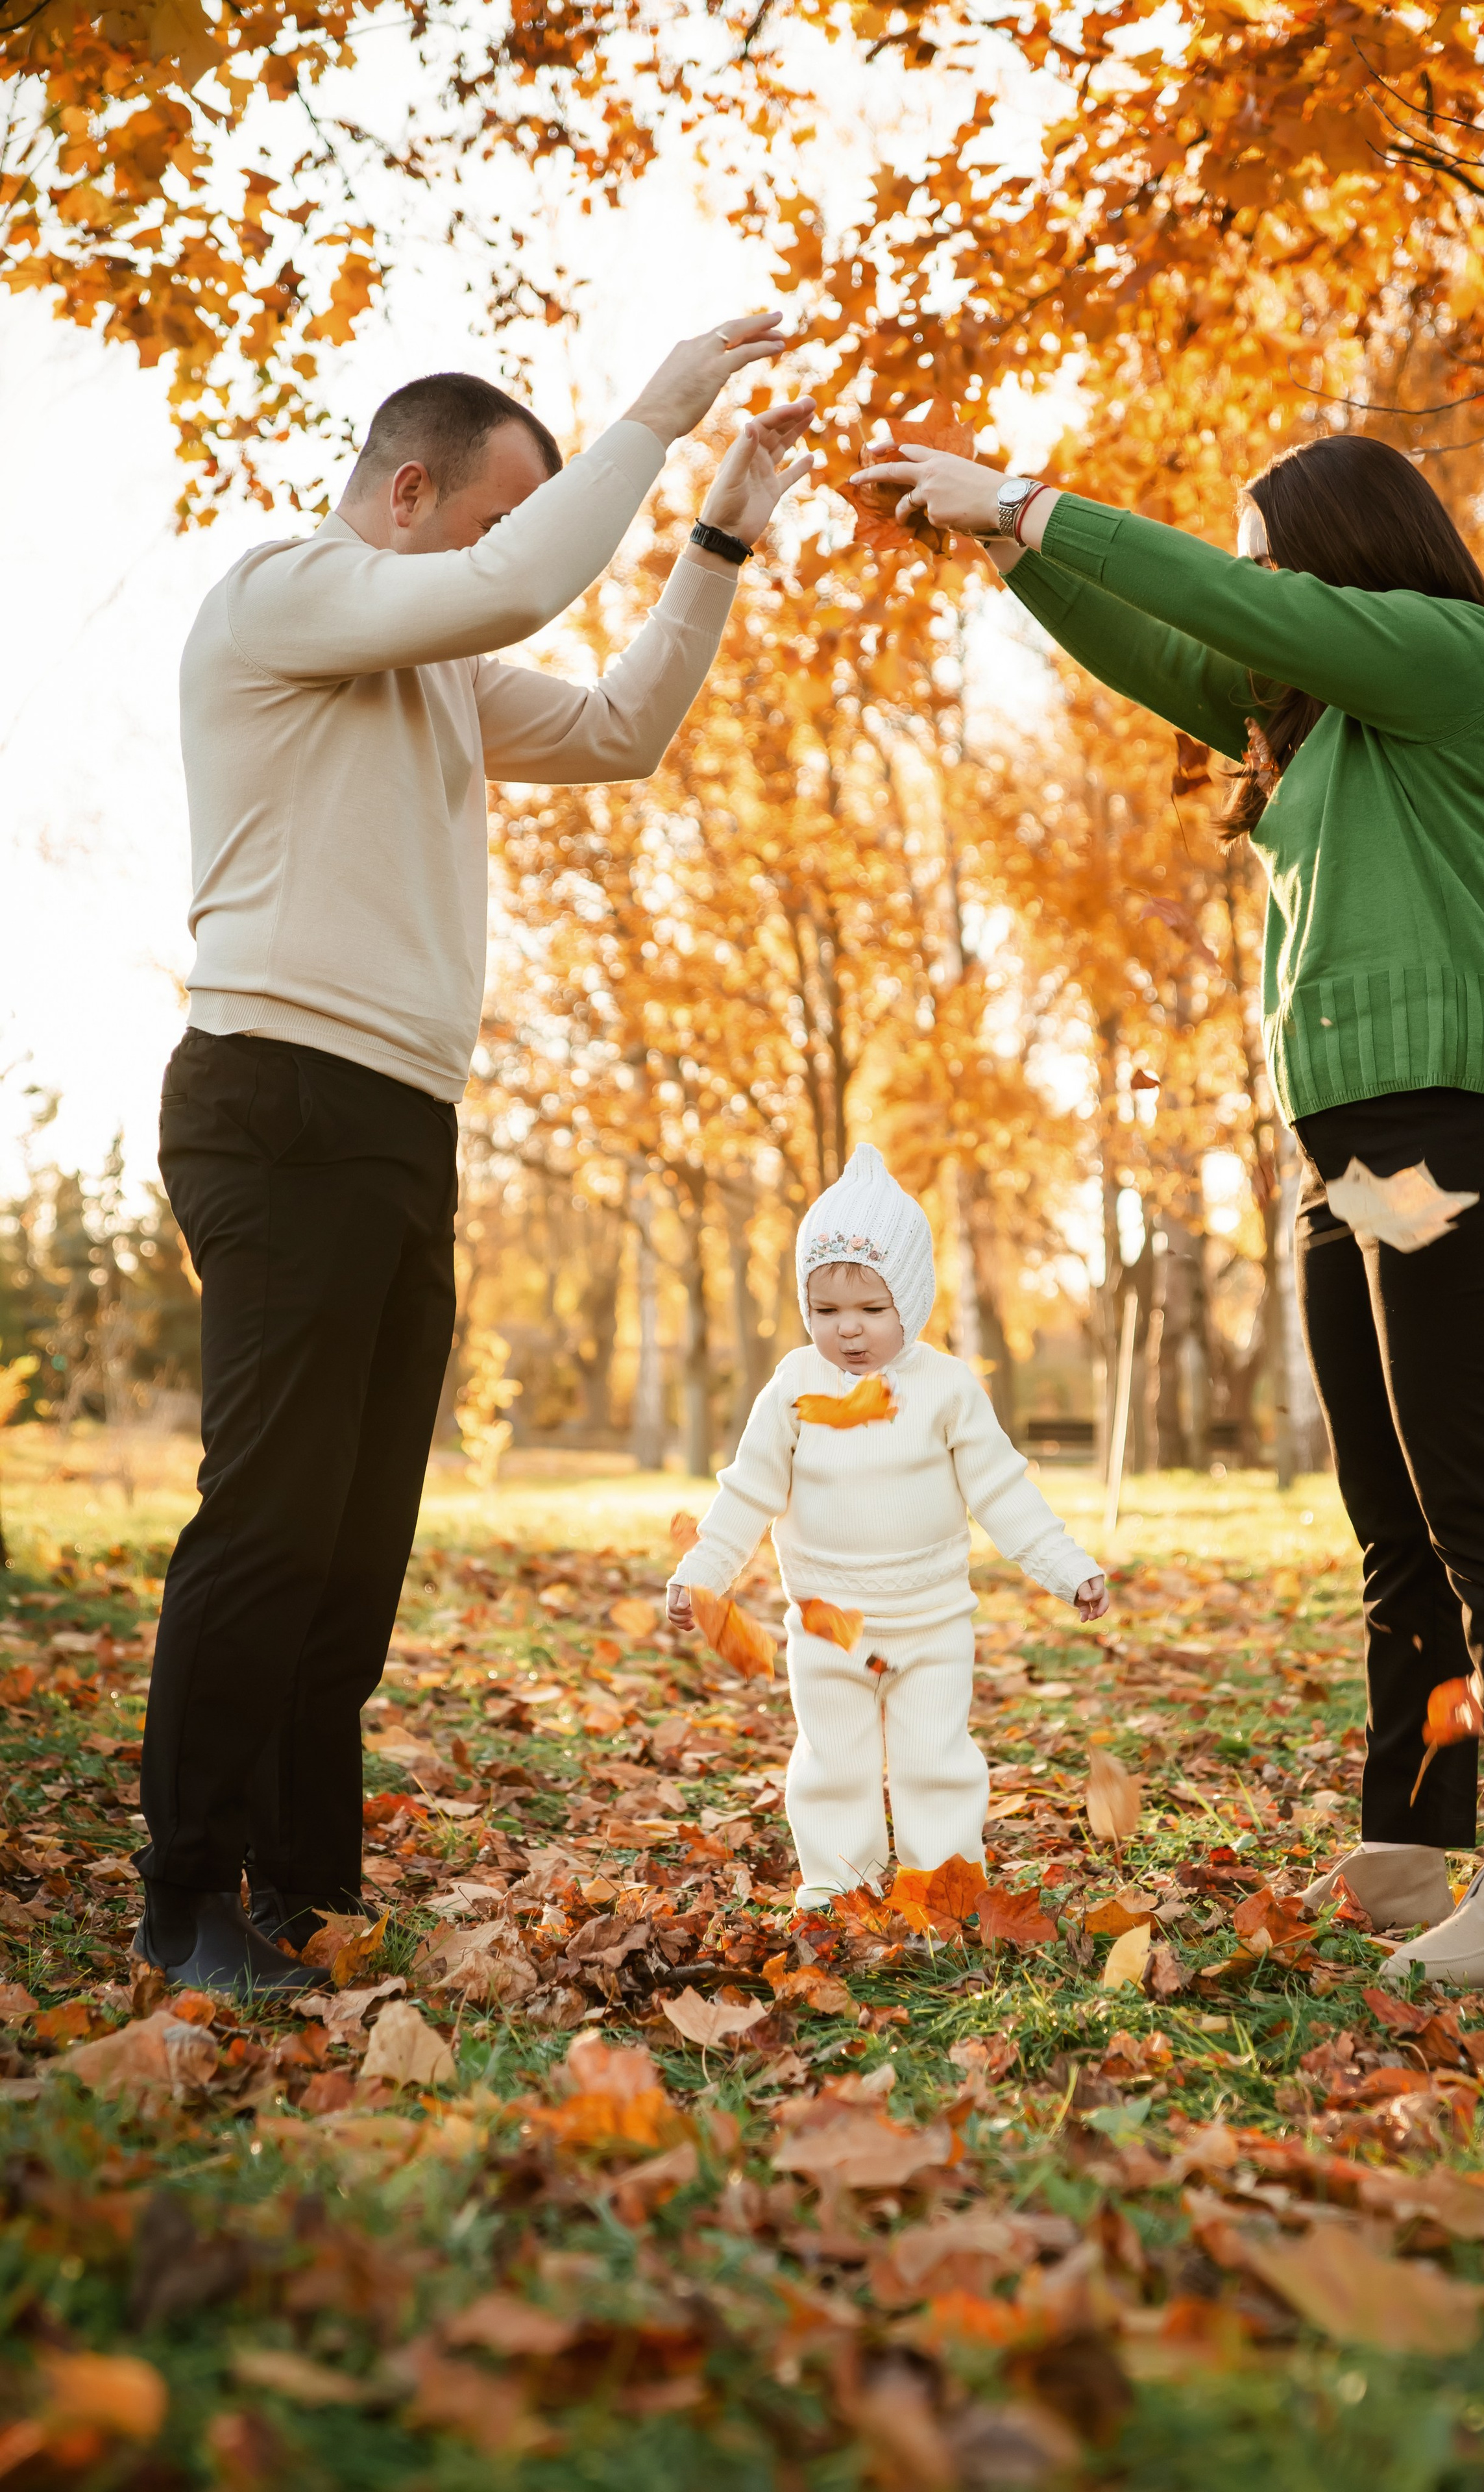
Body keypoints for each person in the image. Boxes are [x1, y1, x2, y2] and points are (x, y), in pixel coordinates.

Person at [857, 432, 1484, 1987]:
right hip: (1361, 1157)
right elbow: (1159, 641)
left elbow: (1217, 608)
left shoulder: (1446, 657)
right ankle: (1411, 1826)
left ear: (1342, 550)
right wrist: (1004, 550)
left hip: (1460, 1124)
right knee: (1394, 1516)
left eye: (1265, 556)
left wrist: (1033, 500)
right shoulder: (1312, 719)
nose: (1243, 584)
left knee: (1477, 1508)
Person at [138, 320, 817, 1994]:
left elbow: (616, 727)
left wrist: (714, 537)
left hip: (396, 1121)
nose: (518, 555)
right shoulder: (281, 593)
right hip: (274, 1095)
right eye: (497, 518)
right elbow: (519, 588)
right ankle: (186, 1893)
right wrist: (656, 414)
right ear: (413, 491)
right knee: (274, 1513)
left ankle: (300, 1884)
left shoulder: (431, 673)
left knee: (356, 1537)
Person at [665, 1145, 1108, 1909]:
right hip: (827, 1626)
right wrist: (702, 1576)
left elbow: (1003, 1492)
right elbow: (747, 1493)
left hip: (932, 1624)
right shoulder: (793, 1387)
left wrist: (1067, 1567)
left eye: (872, 1310)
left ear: (912, 1300)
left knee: (934, 1756)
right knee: (833, 1760)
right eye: (827, 1311)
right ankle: (843, 1884)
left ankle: (942, 1885)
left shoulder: (945, 1390)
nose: (849, 1331)